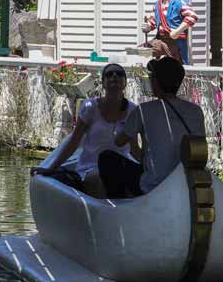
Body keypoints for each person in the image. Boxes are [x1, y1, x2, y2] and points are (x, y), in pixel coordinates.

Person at [31, 64, 141, 198]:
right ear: (103, 83)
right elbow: (73, 142)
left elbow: (134, 149)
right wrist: (51, 168)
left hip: (120, 166)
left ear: (125, 83)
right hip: (91, 165)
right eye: (109, 74)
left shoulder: (133, 111)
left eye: (119, 74)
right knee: (96, 179)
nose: (114, 77)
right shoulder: (90, 107)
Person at [108, 57, 205, 196]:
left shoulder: (143, 110)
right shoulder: (196, 111)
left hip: (152, 187)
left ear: (156, 82)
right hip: (186, 185)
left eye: (152, 77)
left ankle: (123, 207)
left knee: (107, 159)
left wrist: (127, 130)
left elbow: (118, 141)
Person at [142, 0, 197, 65]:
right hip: (160, 40)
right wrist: (148, 26)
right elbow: (153, 21)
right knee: (142, 51)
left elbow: (192, 16)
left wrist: (177, 31)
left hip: (175, 41)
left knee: (177, 64)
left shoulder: (178, 1)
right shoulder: (158, 4)